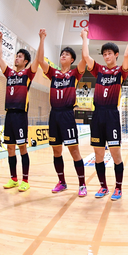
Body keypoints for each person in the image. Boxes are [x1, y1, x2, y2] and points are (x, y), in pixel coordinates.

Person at [81, 26, 128, 200]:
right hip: (97, 115)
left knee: (116, 154)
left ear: (115, 55)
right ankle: (103, 187)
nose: (106, 56)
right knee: (98, 155)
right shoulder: (98, 70)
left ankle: (118, 188)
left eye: (109, 53)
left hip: (112, 115)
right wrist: (84, 37)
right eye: (104, 54)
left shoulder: (120, 71)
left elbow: (127, 55)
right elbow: (86, 56)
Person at [38, 32, 88, 196]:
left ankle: (82, 185)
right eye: (62, 54)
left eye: (66, 54)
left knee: (74, 151)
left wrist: (84, 39)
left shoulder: (75, 74)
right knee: (56, 151)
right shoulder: (54, 73)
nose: (63, 56)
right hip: (54, 115)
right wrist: (42, 39)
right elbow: (40, 60)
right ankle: (62, 182)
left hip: (67, 115)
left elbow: (85, 59)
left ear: (72, 59)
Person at [0, 29, 44, 191]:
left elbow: (38, 59)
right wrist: (0, 41)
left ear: (25, 61)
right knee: (10, 148)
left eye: (20, 56)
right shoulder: (9, 73)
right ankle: (13, 179)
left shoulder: (28, 74)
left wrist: (41, 39)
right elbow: (0, 59)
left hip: (20, 115)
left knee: (22, 148)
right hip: (9, 114)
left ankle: (25, 180)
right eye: (16, 56)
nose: (16, 58)